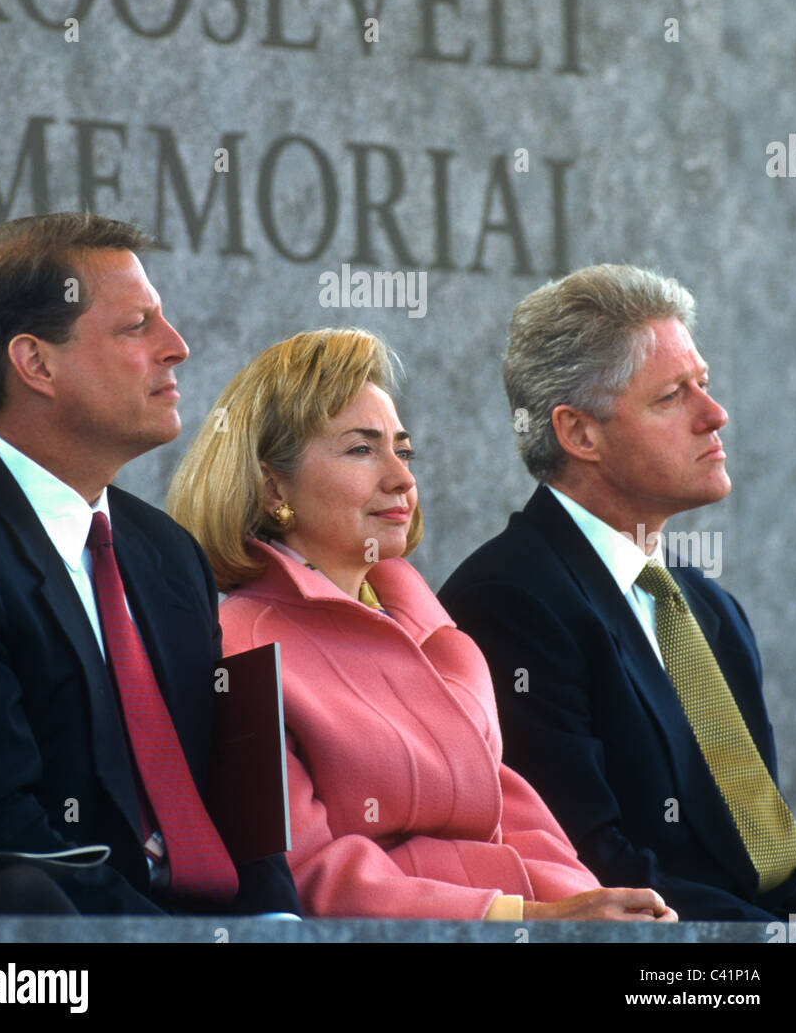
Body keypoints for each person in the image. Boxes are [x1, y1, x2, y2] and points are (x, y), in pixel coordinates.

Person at [167, 326, 677, 922]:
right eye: (361, 449)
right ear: (272, 484)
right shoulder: (239, 645)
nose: (401, 479)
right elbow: (307, 877)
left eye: (402, 451)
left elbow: (520, 825)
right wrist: (525, 920)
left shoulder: (442, 637)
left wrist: (608, 915)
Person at [0, 212, 300, 918]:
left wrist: (274, 931)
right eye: (137, 326)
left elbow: (232, 804)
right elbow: (1, 834)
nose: (178, 348)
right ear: (36, 363)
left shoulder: (167, 553)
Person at [439, 263, 796, 922]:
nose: (714, 414)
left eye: (704, 386)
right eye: (672, 396)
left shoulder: (707, 608)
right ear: (578, 433)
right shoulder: (508, 600)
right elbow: (592, 869)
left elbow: (767, 859)